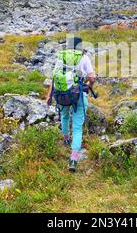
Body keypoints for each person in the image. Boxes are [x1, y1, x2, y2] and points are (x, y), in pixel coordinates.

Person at [46, 37, 96, 172]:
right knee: (78, 127)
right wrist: (88, 87)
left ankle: (66, 138)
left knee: (64, 116)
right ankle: (73, 159)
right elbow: (92, 77)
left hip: (61, 94)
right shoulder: (84, 57)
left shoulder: (61, 56)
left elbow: (54, 77)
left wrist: (49, 95)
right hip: (78, 94)